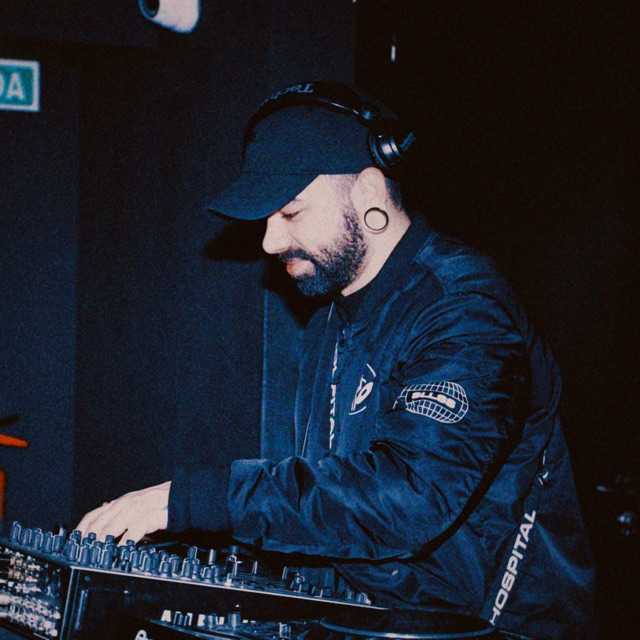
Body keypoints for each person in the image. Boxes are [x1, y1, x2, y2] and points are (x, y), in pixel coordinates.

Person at [77, 81, 595, 639]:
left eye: (290, 212)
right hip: (378, 622)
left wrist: (198, 499)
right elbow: (334, 509)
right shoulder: (331, 318)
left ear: (368, 190)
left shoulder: (463, 309)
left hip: (490, 628)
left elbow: (410, 496)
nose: (269, 242)